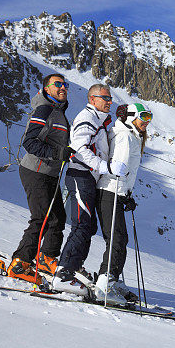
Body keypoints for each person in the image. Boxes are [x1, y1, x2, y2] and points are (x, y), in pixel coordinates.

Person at [52, 84, 125, 295]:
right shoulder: (87, 118)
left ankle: (71, 270)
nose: (109, 102)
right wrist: (105, 167)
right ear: (93, 99)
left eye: (110, 99)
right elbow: (78, 149)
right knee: (82, 226)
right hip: (80, 175)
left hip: (88, 178)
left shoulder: (98, 121)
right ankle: (63, 274)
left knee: (88, 226)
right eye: (105, 98)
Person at [8, 73, 73, 282]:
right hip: (35, 171)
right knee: (41, 218)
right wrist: (56, 154)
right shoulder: (44, 109)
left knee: (57, 218)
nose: (63, 88)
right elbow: (30, 142)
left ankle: (46, 258)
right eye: (58, 84)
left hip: (50, 173)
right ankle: (20, 263)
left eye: (65, 84)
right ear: (47, 88)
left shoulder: (58, 112)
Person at [94, 103, 151, 305]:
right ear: (131, 117)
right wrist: (123, 192)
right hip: (110, 191)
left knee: (120, 238)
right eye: (143, 117)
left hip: (115, 192)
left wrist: (126, 194)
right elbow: (119, 168)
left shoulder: (129, 135)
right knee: (117, 239)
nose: (146, 122)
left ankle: (112, 279)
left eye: (149, 118)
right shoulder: (126, 137)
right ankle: (104, 283)